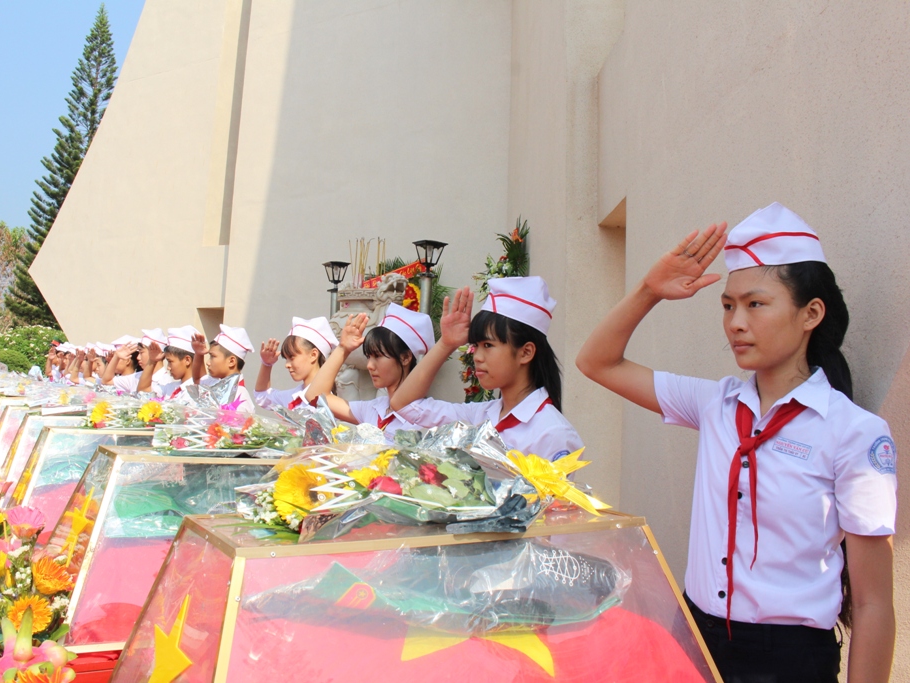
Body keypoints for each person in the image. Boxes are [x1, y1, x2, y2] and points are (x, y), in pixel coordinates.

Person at [575, 204, 896, 682]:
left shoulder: (854, 432)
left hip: (790, 662)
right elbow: (596, 361)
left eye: (756, 304)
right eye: (728, 306)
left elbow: (872, 602)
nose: (736, 323)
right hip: (694, 641)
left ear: (811, 313)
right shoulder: (716, 404)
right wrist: (648, 291)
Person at [390, 277, 583, 462]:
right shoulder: (481, 415)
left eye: (488, 345)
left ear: (526, 353)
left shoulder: (552, 433)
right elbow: (402, 403)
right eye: (476, 345)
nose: (477, 356)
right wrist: (446, 344)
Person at [303, 304, 434, 440]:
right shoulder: (373, 408)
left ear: (405, 357)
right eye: (368, 357)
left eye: (377, 356)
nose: (370, 365)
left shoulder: (428, 414)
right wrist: (343, 349)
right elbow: (315, 395)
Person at [255, 316, 338, 410]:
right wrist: (266, 364)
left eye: (291, 357)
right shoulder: (293, 395)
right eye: (286, 358)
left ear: (313, 355)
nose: (287, 365)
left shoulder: (328, 402)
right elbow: (261, 396)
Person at [190, 325, 256, 414]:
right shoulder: (215, 383)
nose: (208, 362)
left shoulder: (240, 398)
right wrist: (199, 354)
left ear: (231, 361)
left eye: (212, 356)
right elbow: (198, 380)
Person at [138, 326, 198, 397]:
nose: (168, 367)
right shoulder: (171, 387)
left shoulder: (196, 392)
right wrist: (152, 361)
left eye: (170, 361)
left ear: (187, 360)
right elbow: (143, 392)